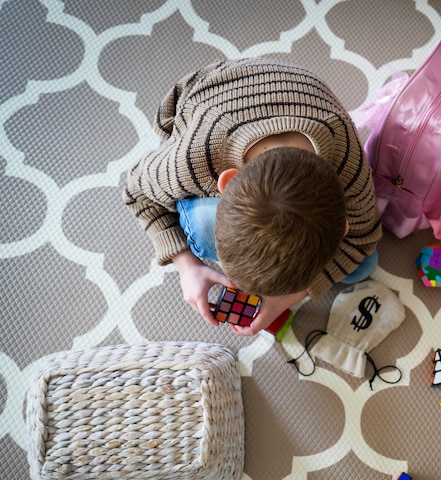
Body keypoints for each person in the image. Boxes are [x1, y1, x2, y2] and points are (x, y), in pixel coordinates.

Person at [124, 58, 382, 335]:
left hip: (301, 100)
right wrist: (185, 265)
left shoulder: (350, 166)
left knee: (365, 264)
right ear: (226, 181)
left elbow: (364, 237)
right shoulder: (190, 162)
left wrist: (291, 296)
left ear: (344, 225)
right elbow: (135, 190)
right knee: (203, 226)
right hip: (214, 100)